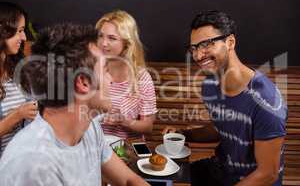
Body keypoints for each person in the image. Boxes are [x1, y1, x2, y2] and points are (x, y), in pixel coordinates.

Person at [0, 23, 149, 186]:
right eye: (106, 70)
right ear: (84, 83)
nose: (111, 80)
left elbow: (129, 180)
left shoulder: (90, 128)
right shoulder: (34, 164)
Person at [163, 10, 287, 186]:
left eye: (206, 44)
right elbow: (221, 127)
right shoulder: (210, 85)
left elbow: (268, 173)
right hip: (221, 171)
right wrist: (183, 134)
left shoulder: (267, 100)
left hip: (252, 181)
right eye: (194, 48)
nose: (198, 56)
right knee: (165, 176)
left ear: (230, 42)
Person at [95, 10, 157, 139]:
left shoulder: (141, 77)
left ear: (127, 44)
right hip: (94, 145)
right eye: (101, 36)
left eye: (112, 38)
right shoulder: (91, 70)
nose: (103, 43)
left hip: (126, 149)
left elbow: (148, 127)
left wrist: (123, 120)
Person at [0, 1, 37, 157]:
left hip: (22, 160)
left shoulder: (16, 69)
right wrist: (18, 114)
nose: (24, 37)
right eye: (20, 30)